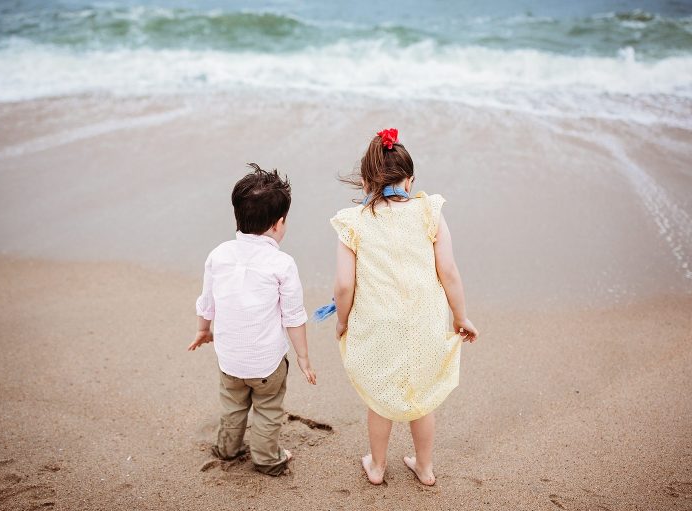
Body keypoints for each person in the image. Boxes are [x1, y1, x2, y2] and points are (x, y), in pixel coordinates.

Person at [330, 128, 478, 486]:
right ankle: (425, 468)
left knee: (381, 396)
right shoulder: (430, 211)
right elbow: (449, 271)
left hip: (378, 323)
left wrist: (342, 320)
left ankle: (378, 467)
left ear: (366, 182)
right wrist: (461, 316)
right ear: (409, 181)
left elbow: (344, 284)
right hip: (425, 321)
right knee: (422, 396)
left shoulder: (354, 222)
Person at [188, 163, 317, 477]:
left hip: (230, 360)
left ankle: (227, 449)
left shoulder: (218, 255)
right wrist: (303, 357)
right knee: (268, 410)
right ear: (278, 224)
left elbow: (207, 301)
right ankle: (266, 458)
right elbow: (293, 317)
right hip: (267, 364)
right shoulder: (282, 264)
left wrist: (203, 331)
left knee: (233, 406)